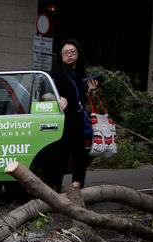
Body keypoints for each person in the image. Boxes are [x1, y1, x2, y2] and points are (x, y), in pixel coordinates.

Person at [47, 38, 99, 190]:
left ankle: (77, 191)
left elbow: (83, 100)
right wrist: (58, 98)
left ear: (78, 54)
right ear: (61, 56)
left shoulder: (81, 74)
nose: (69, 55)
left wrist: (91, 91)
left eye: (72, 52)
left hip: (78, 122)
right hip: (62, 122)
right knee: (60, 159)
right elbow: (45, 93)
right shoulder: (56, 73)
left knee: (80, 160)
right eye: (65, 53)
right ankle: (54, 192)